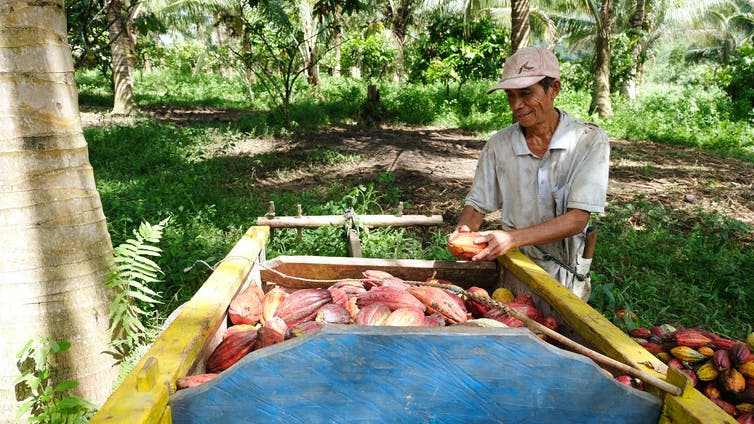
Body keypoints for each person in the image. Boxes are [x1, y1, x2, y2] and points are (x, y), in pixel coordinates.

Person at [449, 46, 610, 301]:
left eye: (526, 94)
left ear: (554, 89)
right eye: (510, 96)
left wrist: (511, 238)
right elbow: (478, 204)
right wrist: (463, 232)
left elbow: (577, 219)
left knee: (559, 335)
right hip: (516, 268)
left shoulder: (588, 140)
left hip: (565, 274)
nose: (517, 105)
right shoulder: (498, 145)